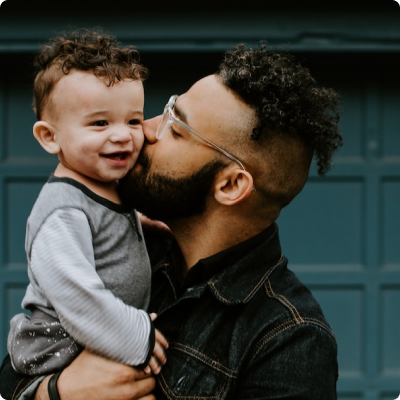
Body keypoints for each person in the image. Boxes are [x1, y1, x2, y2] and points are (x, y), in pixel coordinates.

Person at [0, 41, 343, 400]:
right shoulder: (124, 246)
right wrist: (56, 393)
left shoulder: (288, 339)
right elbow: (19, 366)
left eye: (176, 129)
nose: (143, 130)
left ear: (229, 184)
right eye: (165, 111)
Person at [5, 28, 168, 380]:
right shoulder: (62, 211)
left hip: (98, 336)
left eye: (133, 121)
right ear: (50, 137)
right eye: (100, 123)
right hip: (59, 346)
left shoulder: (107, 185)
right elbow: (77, 295)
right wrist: (136, 336)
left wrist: (139, 223)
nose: (122, 134)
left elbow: (104, 225)